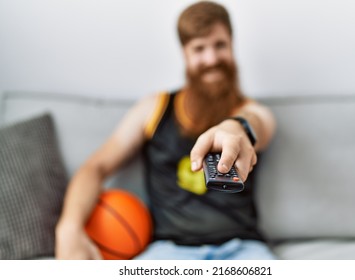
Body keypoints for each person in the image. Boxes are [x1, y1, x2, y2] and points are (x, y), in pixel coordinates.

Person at [55, 1, 276, 260]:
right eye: (199, 49)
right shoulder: (154, 108)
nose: (211, 59)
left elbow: (257, 123)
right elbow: (96, 167)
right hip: (169, 250)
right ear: (185, 54)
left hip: (243, 248)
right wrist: (69, 227)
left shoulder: (252, 111)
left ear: (232, 45)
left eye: (219, 45)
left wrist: (235, 128)